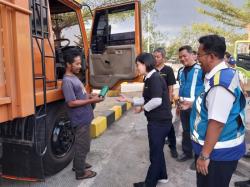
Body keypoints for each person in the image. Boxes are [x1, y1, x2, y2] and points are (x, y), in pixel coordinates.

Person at [190, 34, 246, 187]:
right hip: (219, 149)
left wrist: (204, 155)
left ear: (211, 56)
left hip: (217, 153)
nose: (197, 59)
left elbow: (217, 124)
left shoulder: (219, 84)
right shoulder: (224, 73)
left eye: (199, 55)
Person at [117, 53, 173, 187]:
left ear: (145, 63)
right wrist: (129, 100)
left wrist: (143, 108)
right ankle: (162, 176)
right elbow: (147, 98)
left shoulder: (154, 78)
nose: (137, 68)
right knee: (158, 150)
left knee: (155, 153)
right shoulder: (149, 78)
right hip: (159, 121)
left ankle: (149, 183)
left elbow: (156, 101)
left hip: (159, 122)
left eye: (138, 65)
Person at [62, 49, 104, 180]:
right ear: (68, 64)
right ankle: (80, 173)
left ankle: (77, 164)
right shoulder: (67, 81)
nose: (80, 66)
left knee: (83, 143)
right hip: (79, 120)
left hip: (84, 118)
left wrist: (90, 95)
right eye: (77, 64)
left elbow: (81, 95)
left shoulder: (74, 77)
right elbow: (71, 103)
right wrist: (92, 100)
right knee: (82, 145)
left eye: (80, 63)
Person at [176, 45, 204, 162]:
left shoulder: (201, 69)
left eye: (185, 56)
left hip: (196, 107)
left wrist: (194, 103)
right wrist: (178, 105)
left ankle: (199, 157)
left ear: (193, 55)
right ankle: (187, 153)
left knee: (198, 131)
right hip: (183, 106)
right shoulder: (181, 70)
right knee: (186, 130)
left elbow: (206, 89)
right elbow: (181, 87)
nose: (182, 59)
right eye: (180, 57)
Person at [153, 47, 178, 158]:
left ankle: (173, 147)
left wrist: (169, 102)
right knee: (155, 125)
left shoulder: (168, 70)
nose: (155, 59)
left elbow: (170, 88)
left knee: (168, 126)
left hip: (165, 104)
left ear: (163, 58)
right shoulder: (151, 70)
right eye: (154, 56)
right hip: (153, 104)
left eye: (157, 57)